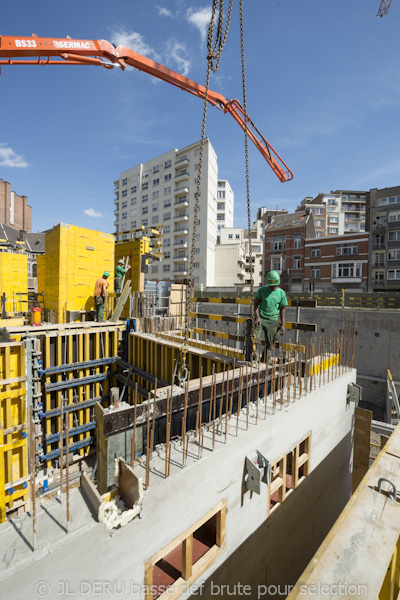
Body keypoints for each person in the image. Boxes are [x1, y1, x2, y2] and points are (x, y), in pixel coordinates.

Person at [254, 270, 288, 358]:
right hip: (261, 318)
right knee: (255, 338)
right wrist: (257, 317)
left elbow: (282, 310)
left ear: (278, 283)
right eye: (270, 285)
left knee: (270, 343)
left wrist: (283, 325)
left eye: (274, 285)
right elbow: (255, 304)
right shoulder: (262, 290)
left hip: (273, 320)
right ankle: (255, 357)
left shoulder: (281, 293)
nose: (272, 287)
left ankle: (265, 360)